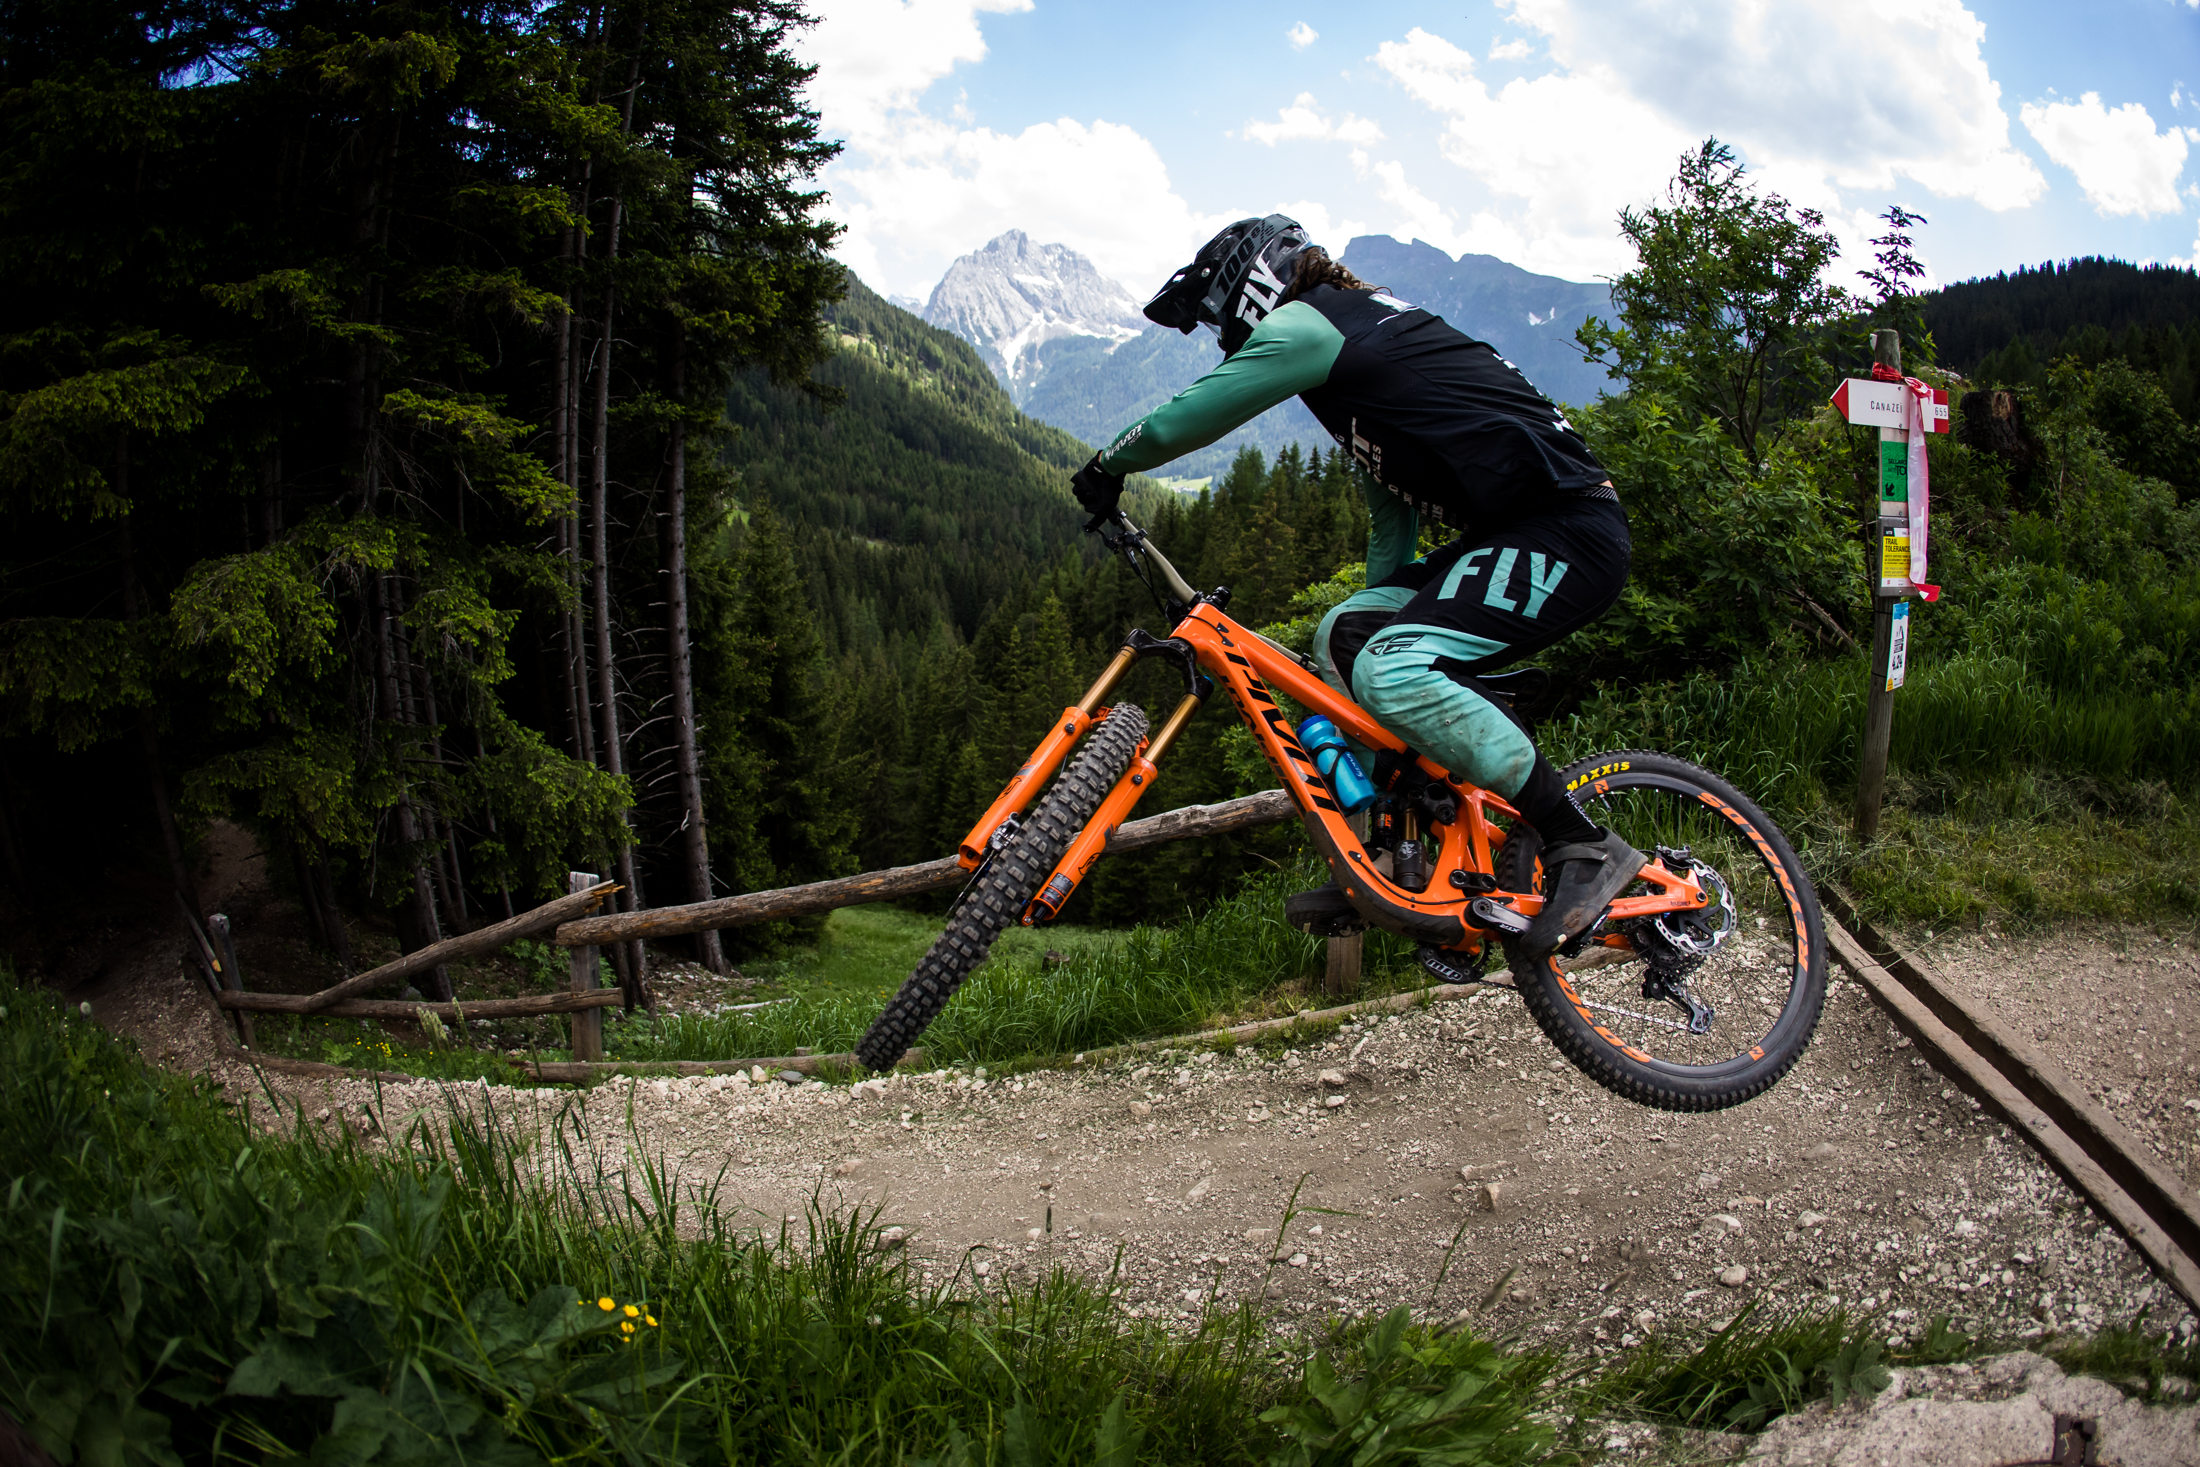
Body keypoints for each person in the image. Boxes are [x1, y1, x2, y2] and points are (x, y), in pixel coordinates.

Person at [1068, 214, 1639, 959]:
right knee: (1345, 635)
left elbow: (1188, 420)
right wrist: (1368, 658)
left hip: (1569, 529)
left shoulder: (1313, 326)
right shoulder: (1356, 363)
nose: (1219, 336)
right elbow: (1389, 529)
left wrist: (1111, 465)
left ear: (1255, 285)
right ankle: (1401, 865)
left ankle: (1582, 843)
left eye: (1217, 316)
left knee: (1390, 665)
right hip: (1520, 533)